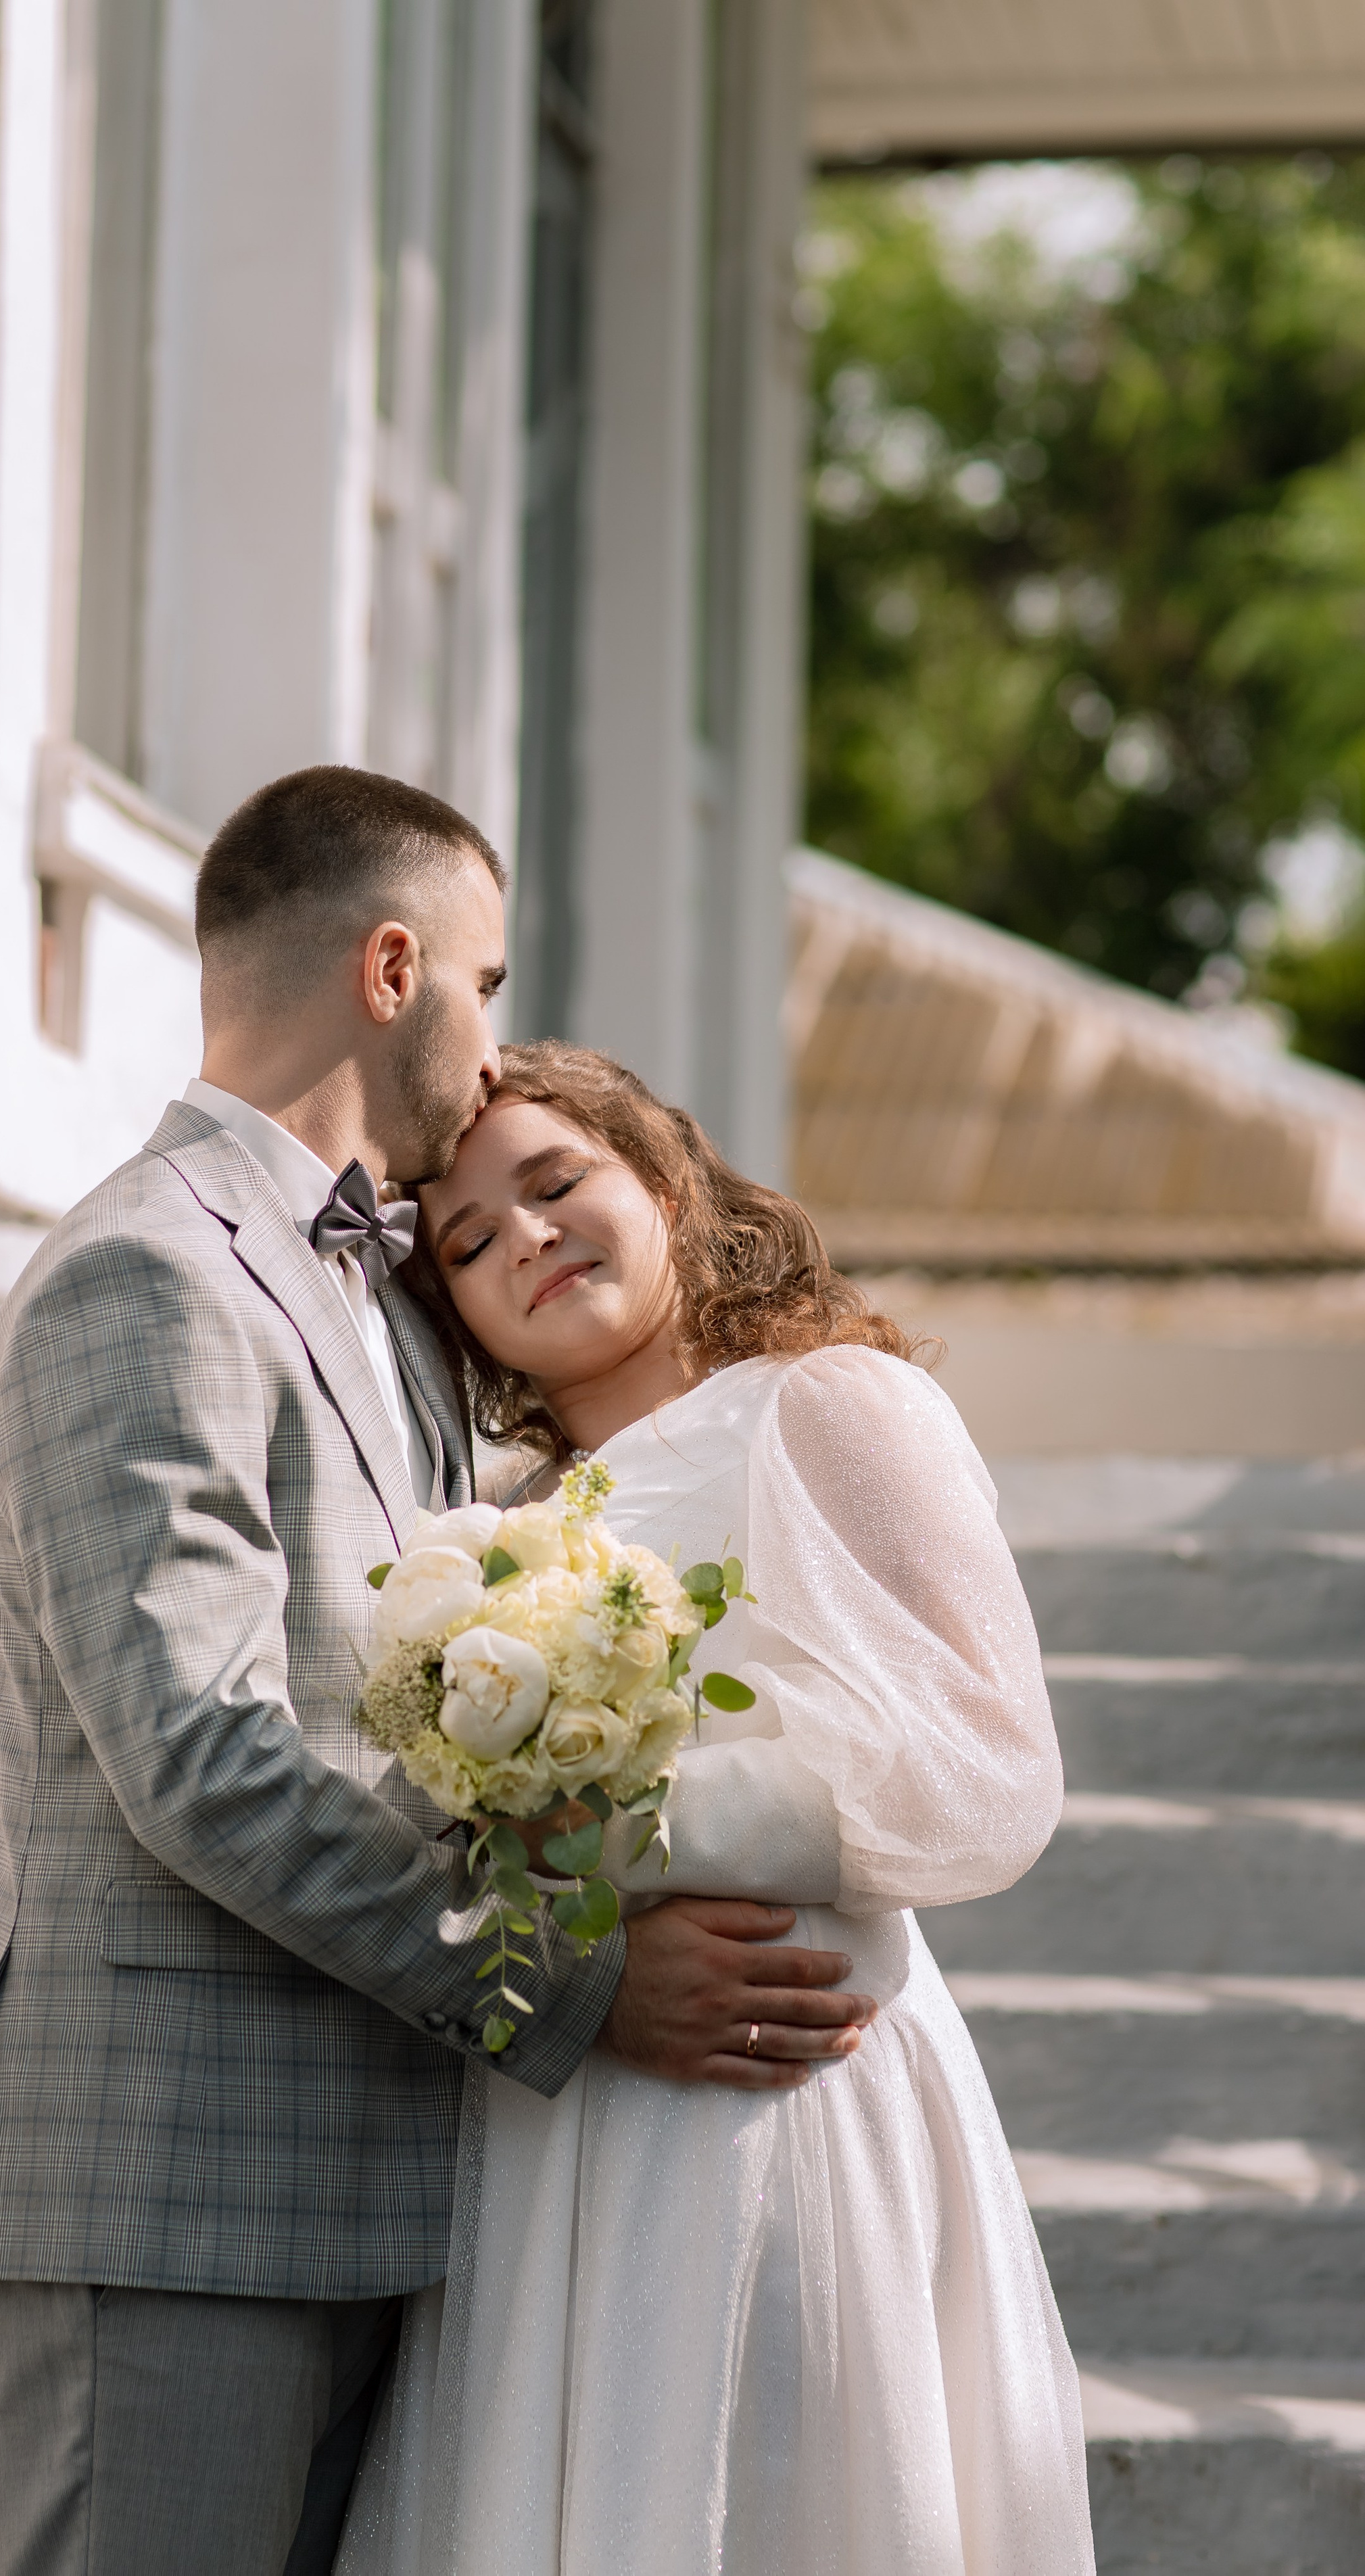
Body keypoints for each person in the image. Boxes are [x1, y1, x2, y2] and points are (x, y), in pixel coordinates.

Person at [0, 770, 873, 2576]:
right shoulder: (145, 1272)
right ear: (397, 966)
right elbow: (203, 1755)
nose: (496, 1056)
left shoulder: (371, 1291)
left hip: (368, 2191)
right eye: (489, 987)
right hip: (158, 2186)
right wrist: (569, 1984)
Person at [335, 1040, 1096, 2576]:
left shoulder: (829, 1407)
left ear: (666, 1181)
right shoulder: (488, 1535)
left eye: (556, 1186)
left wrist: (605, 1829)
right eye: (471, 1241)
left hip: (789, 2075)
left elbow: (984, 1774)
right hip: (567, 2097)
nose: (526, 1239)